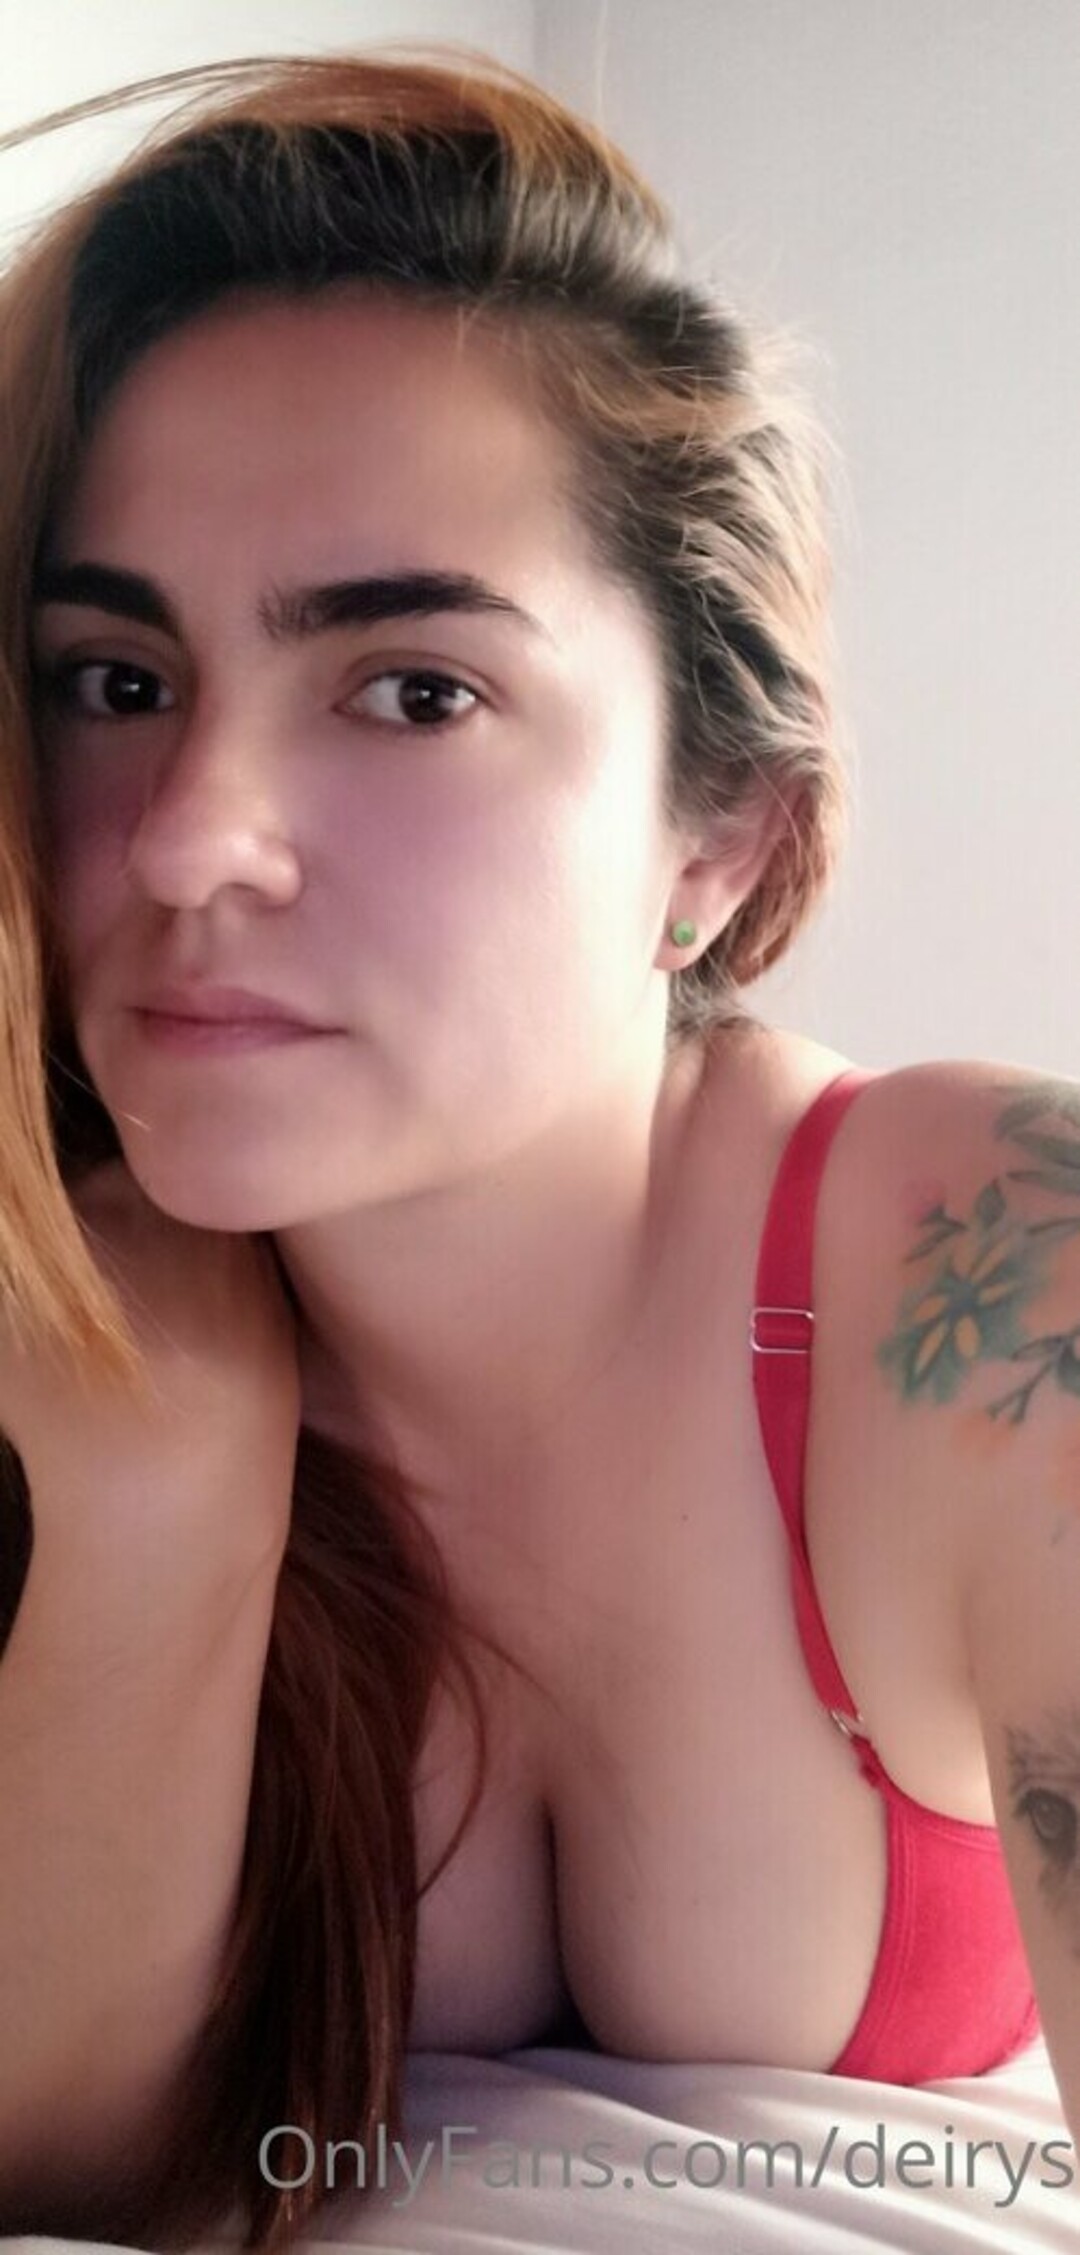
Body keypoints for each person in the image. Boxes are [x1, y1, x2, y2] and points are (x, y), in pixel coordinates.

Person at [0, 41, 1076, 2251]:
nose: (190, 840)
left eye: (413, 690)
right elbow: (71, 2186)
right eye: (117, 681)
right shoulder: (75, 1339)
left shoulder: (992, 1283)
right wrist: (156, 1464)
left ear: (718, 835)